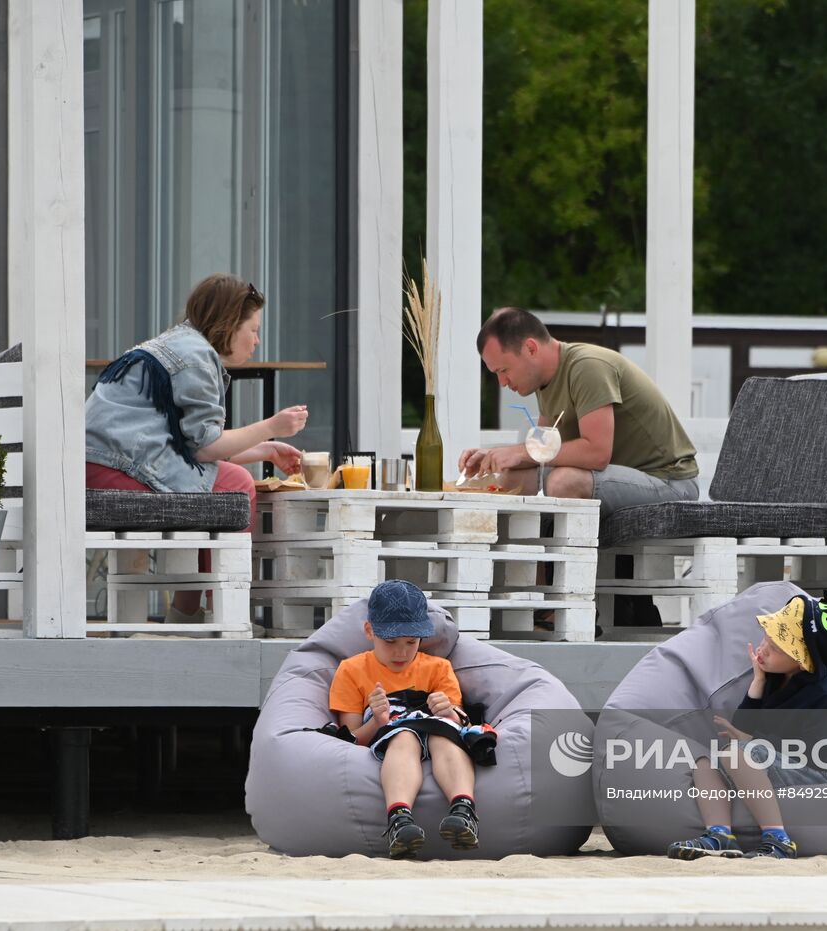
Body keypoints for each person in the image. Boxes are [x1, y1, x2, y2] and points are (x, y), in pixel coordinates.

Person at [84, 273, 310, 620]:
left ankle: (189, 612)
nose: (257, 341)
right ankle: (218, 612)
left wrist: (266, 448)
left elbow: (194, 446)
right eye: (252, 329)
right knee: (236, 486)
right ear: (230, 324)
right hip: (115, 470)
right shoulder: (197, 357)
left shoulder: (181, 343)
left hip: (100, 464)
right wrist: (271, 426)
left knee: (229, 478)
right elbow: (207, 449)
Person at [667, 590, 827, 861]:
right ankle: (719, 834)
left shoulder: (823, 696)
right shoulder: (775, 679)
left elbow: (817, 752)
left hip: (818, 771)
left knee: (735, 753)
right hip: (772, 760)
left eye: (775, 647)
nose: (763, 649)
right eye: (766, 638)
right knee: (705, 762)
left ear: (802, 660)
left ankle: (778, 838)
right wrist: (757, 684)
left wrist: (753, 741)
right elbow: (742, 730)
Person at [458, 307, 699, 515]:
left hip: (669, 481)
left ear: (531, 348)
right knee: (508, 480)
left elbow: (596, 453)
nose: (502, 382)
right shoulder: (544, 382)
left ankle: (568, 568)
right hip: (623, 477)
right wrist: (493, 456)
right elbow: (542, 450)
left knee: (564, 481)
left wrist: (519, 453)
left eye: (504, 370)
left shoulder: (587, 367)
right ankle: (530, 568)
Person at [329, 580, 483, 858]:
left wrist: (447, 710)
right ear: (369, 631)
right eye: (390, 642)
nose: (401, 652)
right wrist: (377, 720)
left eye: (411, 642)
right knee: (403, 737)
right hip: (392, 732)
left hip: (436, 730)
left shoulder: (438, 668)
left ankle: (463, 809)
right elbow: (350, 737)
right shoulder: (352, 670)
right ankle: (399, 818)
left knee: (444, 736)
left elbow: (459, 723)